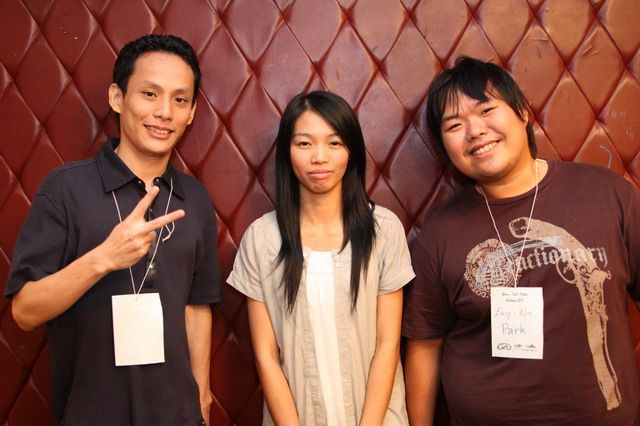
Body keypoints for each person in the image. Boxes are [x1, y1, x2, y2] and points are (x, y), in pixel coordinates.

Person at [402, 56, 640, 425]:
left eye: (486, 110)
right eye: (454, 124)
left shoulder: (609, 195)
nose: (474, 130)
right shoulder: (440, 234)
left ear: (523, 112)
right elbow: (425, 346)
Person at [5, 34, 222, 425]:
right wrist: (103, 259)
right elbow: (24, 311)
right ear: (117, 97)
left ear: (191, 113)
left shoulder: (194, 198)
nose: (165, 112)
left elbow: (196, 306)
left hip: (177, 415)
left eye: (180, 100)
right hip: (91, 414)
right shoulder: (65, 189)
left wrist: (202, 397)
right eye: (150, 94)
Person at [227, 91, 415, 425]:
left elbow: (387, 343)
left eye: (334, 143)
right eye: (304, 143)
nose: (319, 157)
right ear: (287, 152)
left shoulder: (384, 230)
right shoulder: (261, 238)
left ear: (351, 151)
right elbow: (266, 355)